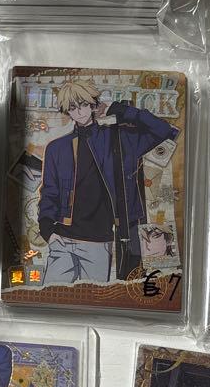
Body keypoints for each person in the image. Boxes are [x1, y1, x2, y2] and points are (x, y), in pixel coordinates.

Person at [38, 77, 178, 286]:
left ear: (93, 104)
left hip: (99, 241)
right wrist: (47, 230)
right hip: (62, 239)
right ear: (67, 111)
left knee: (92, 300)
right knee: (50, 297)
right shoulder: (57, 148)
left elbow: (164, 130)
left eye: (83, 104)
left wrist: (119, 109)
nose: (79, 111)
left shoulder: (120, 139)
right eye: (73, 107)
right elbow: (50, 191)